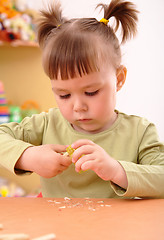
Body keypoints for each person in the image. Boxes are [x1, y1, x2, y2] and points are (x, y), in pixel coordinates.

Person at [0, 0, 164, 199]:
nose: (78, 107)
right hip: (56, 227)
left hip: (116, 229)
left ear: (119, 79)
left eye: (91, 92)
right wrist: (27, 156)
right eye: (64, 95)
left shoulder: (140, 132)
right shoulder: (47, 124)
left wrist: (116, 170)